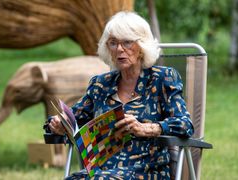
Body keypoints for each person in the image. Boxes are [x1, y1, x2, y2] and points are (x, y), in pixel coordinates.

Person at [48, 11, 194, 180]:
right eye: (113, 43)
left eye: (127, 42)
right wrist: (58, 124)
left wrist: (146, 128)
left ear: (142, 47)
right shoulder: (100, 85)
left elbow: (185, 124)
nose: (119, 49)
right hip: (100, 172)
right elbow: (73, 118)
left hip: (146, 171)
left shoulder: (162, 79)